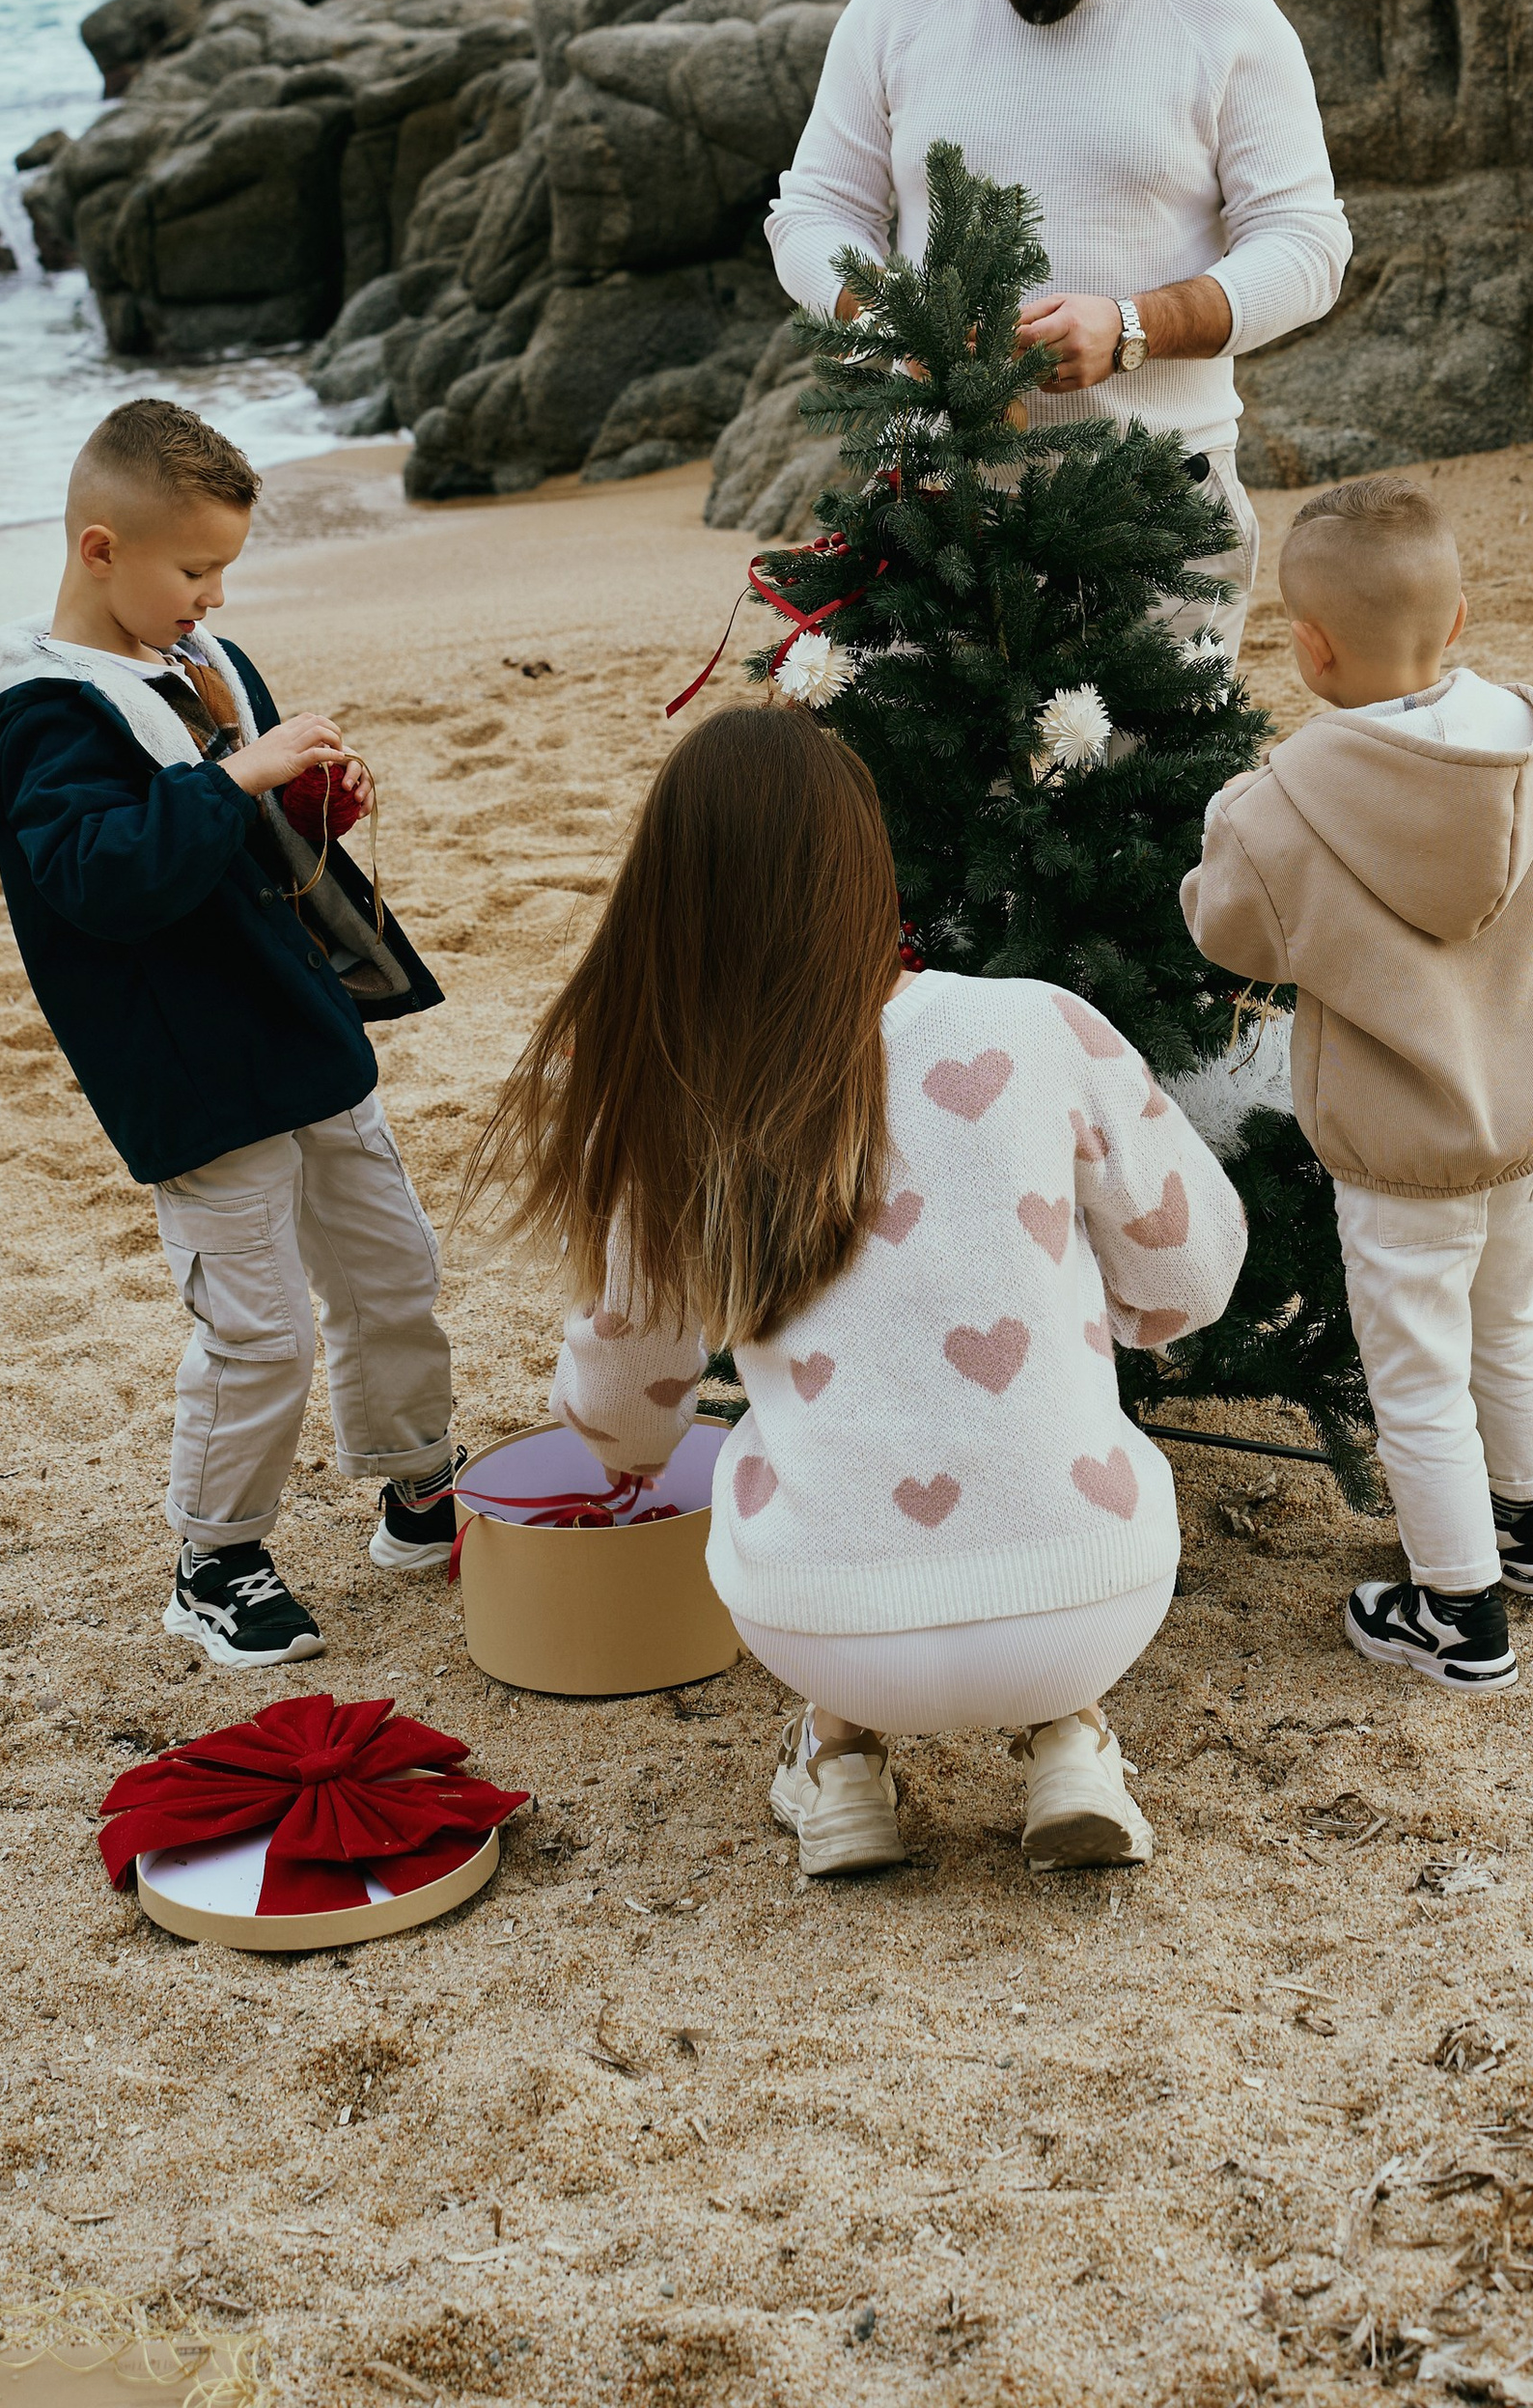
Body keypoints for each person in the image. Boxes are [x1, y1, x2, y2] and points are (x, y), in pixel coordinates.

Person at [465, 705, 1246, 1880]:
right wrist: (1125, 1320)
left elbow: (628, 1374)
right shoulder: (1033, 1024)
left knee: (780, 1452)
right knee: (1041, 1443)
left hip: (822, 1624)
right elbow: (1191, 1271)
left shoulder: (675, 1090)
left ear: (669, 893)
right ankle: (1070, 1736)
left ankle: (838, 1760)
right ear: (863, 869)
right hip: (1091, 1594)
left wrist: (624, 1453)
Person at [0, 398, 458, 1673]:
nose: (213, 595)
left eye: (226, 567)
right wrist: (232, 781)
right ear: (99, 550)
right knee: (259, 1328)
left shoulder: (205, 662)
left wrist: (307, 796)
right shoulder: (39, 720)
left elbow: (255, 832)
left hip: (297, 1026)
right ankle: (216, 1563)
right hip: (191, 1068)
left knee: (391, 1268)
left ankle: (415, 1492)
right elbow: (103, 877)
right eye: (193, 568)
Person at [764, 0, 1352, 668]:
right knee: (908, 822)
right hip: (932, 502)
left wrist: (1128, 328)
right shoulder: (894, 10)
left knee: (1143, 822)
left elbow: (1308, 247)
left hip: (1160, 506)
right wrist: (895, 320)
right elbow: (813, 210)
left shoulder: (1228, 19)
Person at [1180, 474, 1533, 1693]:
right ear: (1456, 621)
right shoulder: (1523, 735)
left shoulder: (1278, 806)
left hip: (1402, 1143)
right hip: (1524, 1115)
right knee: (1508, 1322)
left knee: (1412, 1377)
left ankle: (1454, 1613)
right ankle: (1528, 1527)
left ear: (1305, 644)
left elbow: (1226, 934)